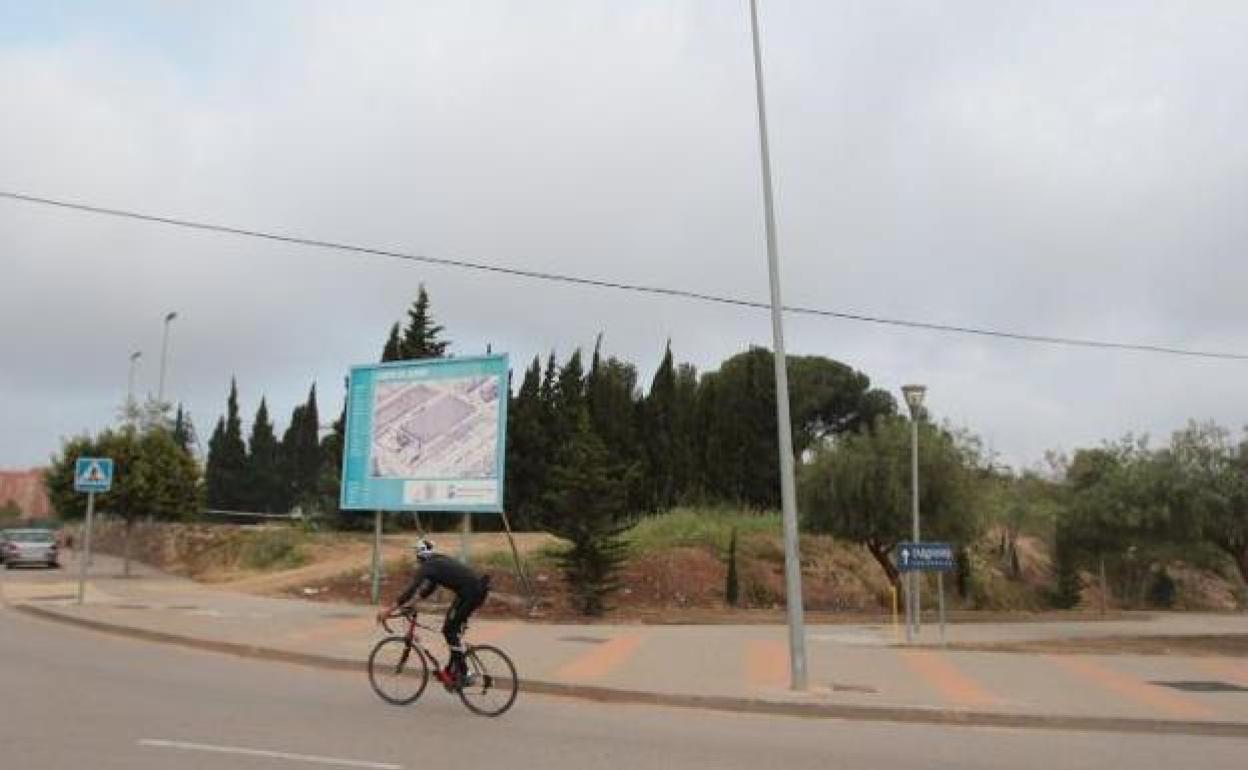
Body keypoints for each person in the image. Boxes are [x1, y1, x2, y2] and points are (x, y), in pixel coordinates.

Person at [376, 539, 490, 686]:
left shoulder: (428, 566)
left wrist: (388, 610)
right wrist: (412, 604)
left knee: (449, 631)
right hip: (472, 593)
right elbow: (429, 588)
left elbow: (411, 589)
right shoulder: (438, 561)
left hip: (470, 595)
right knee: (451, 630)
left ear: (419, 555)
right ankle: (451, 671)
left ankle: (465, 673)